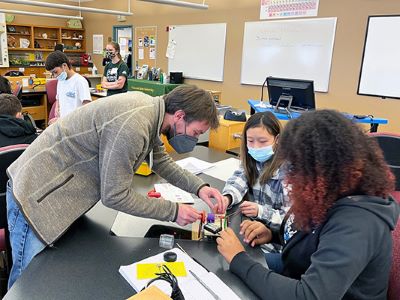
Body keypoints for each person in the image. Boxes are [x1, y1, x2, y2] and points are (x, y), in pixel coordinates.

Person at [6, 85, 227, 288]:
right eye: (196, 132)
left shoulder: (151, 112)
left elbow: (161, 161)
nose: (195, 138)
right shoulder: (134, 124)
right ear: (180, 116)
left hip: (54, 189)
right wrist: (174, 211)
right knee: (27, 282)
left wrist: (199, 188)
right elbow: (115, 196)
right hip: (36, 196)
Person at [217, 109, 399, 299]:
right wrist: (273, 235)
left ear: (324, 168)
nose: (289, 178)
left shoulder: (359, 223)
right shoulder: (326, 193)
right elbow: (313, 238)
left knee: (235, 268)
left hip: (310, 291)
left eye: (295, 167)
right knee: (221, 267)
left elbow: (308, 296)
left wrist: (240, 260)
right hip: (298, 271)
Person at [222, 112, 289, 258]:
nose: (256, 147)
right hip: (255, 233)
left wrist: (261, 211)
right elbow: (239, 179)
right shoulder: (253, 160)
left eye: (263, 141)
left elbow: (291, 222)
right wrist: (227, 197)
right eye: (250, 141)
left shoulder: (288, 172)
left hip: (278, 244)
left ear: (277, 139)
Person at [45, 50, 91, 124]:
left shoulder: (80, 81)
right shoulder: (61, 81)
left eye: (55, 72)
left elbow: (87, 107)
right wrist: (58, 118)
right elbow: (59, 101)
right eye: (52, 73)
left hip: (76, 125)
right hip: (64, 124)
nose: (55, 76)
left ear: (64, 66)